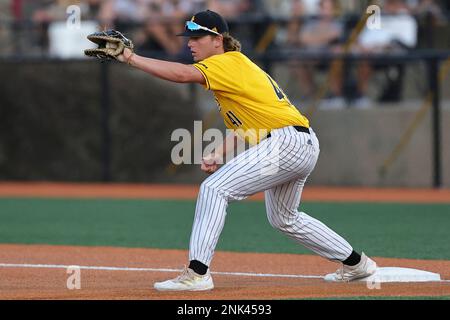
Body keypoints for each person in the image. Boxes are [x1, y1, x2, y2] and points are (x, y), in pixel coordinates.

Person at [117, 9, 377, 291]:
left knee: (214, 189)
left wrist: (130, 58)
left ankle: (197, 273)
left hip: (285, 142)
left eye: (197, 37)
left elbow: (181, 74)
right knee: (284, 218)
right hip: (299, 142)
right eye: (188, 37)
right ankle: (356, 264)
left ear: (218, 40)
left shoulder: (226, 62)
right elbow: (247, 126)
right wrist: (219, 152)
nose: (190, 43)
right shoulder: (234, 67)